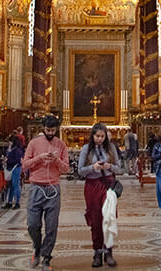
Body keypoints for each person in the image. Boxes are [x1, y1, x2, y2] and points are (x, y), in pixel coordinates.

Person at [22, 115, 68, 271]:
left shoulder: (61, 144)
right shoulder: (34, 143)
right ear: (43, 128)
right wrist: (39, 158)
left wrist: (56, 160)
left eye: (53, 130)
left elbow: (66, 168)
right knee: (32, 224)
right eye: (48, 130)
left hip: (53, 188)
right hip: (36, 187)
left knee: (51, 227)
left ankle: (46, 257)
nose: (50, 132)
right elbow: (25, 165)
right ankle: (37, 246)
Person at [78, 122, 121, 267]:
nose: (100, 139)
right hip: (92, 185)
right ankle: (97, 252)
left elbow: (120, 168)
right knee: (96, 219)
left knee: (109, 217)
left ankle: (109, 251)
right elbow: (80, 170)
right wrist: (93, 167)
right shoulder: (86, 149)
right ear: (93, 136)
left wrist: (110, 166)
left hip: (108, 185)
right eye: (97, 136)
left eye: (103, 136)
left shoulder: (111, 148)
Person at [4, 133, 24, 209]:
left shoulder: (17, 150)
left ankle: (17, 202)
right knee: (10, 186)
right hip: (10, 168)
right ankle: (9, 202)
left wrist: (8, 161)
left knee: (16, 185)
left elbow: (17, 160)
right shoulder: (10, 149)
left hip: (15, 168)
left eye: (10, 141)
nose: (9, 143)